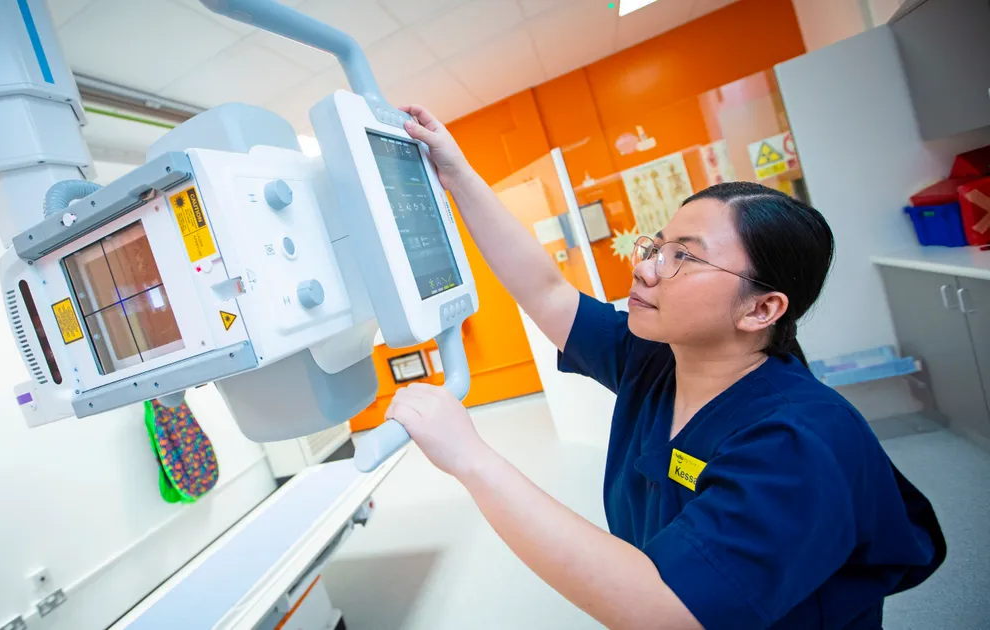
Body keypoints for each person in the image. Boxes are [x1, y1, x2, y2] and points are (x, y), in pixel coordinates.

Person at [385, 104, 946, 630]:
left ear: (760, 309)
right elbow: (548, 292)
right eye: (656, 245)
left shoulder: (798, 442)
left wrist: (472, 460)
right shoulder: (659, 359)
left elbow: (665, 609)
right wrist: (455, 173)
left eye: (685, 257)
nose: (647, 269)